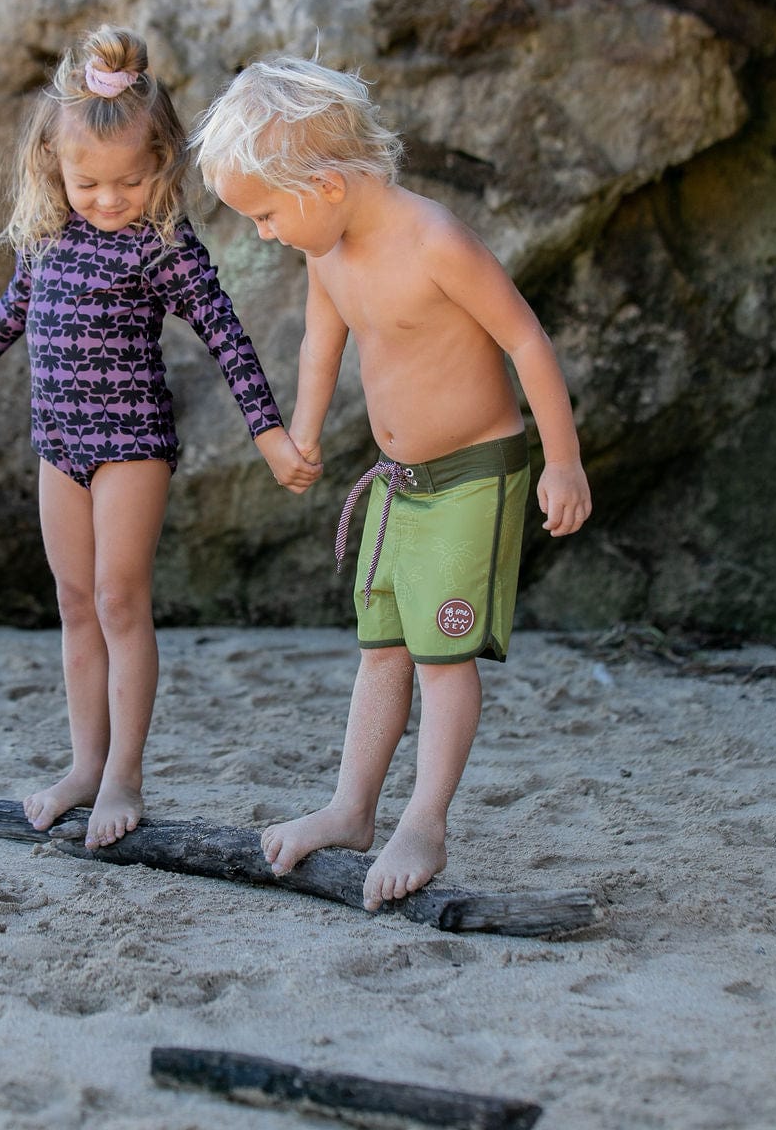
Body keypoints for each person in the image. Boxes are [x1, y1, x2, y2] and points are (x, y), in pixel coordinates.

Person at [192, 55, 591, 911]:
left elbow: (526, 341)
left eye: (265, 214)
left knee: (443, 658)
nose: (263, 233)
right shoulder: (328, 250)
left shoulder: (434, 240)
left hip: (473, 477)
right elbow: (321, 343)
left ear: (326, 184)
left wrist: (562, 461)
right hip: (396, 483)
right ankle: (351, 808)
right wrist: (301, 434)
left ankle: (425, 822)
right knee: (381, 649)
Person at [0, 27, 319, 851]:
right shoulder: (46, 237)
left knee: (117, 601)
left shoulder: (162, 246)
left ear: (162, 163)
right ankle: (84, 766)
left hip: (131, 442)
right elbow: (12, 312)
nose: (108, 199)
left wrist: (271, 435)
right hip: (57, 445)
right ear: (54, 166)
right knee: (74, 604)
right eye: (88, 182)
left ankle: (124, 777)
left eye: (129, 181)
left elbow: (227, 335)